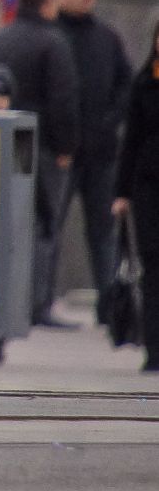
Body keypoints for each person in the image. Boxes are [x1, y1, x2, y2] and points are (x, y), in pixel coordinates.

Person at [0, 0, 82, 328]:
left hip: (0, 144)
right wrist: (66, 147)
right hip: (42, 146)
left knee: (6, 226)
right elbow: (63, 98)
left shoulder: (0, 39)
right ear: (48, 1)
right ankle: (37, 304)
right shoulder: (53, 43)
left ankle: (3, 298)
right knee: (43, 226)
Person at [54, 0, 135, 322]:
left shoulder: (107, 38)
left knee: (103, 231)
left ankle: (108, 305)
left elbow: (126, 86)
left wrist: (110, 123)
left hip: (101, 153)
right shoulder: (53, 35)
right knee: (50, 227)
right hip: (61, 152)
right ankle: (40, 301)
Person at [110, 19, 159, 371]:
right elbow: (131, 141)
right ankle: (154, 348)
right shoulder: (145, 83)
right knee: (152, 268)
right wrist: (122, 191)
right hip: (149, 188)